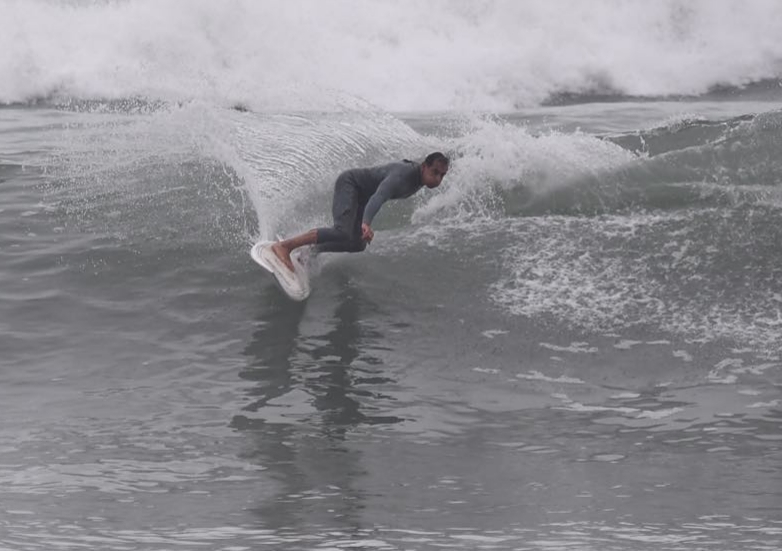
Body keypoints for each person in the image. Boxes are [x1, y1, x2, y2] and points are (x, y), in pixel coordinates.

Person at [270, 152, 450, 272]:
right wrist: (366, 222)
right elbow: (379, 197)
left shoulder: (420, 178)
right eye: (435, 172)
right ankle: (285, 246)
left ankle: (310, 252)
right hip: (350, 184)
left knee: (357, 244)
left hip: (361, 197)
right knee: (341, 231)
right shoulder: (403, 176)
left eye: (442, 175)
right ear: (424, 166)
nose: (437, 179)